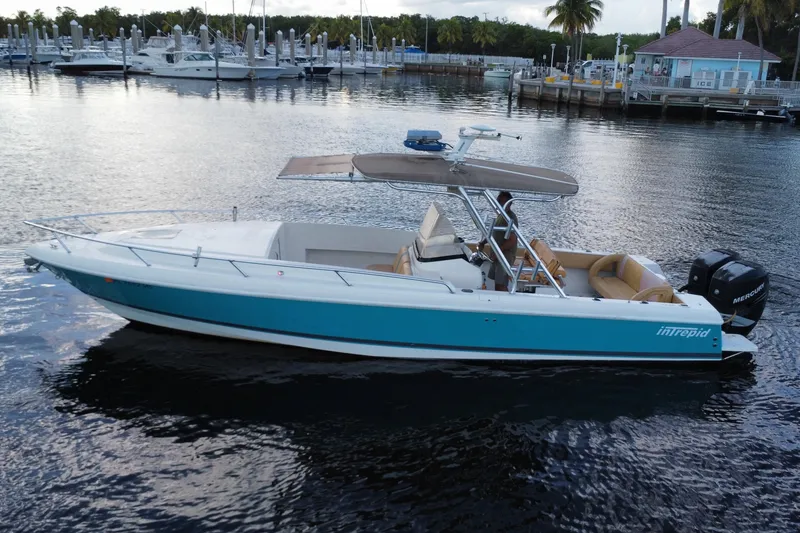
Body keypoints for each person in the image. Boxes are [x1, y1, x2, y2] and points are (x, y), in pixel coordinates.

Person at [478, 191, 519, 292]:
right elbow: (493, 234)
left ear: (510, 203)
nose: (501, 204)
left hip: (505, 255)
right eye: (499, 201)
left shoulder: (510, 218)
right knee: (497, 283)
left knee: (501, 284)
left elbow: (512, 240)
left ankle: (506, 305)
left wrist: (498, 252)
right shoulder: (501, 215)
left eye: (504, 202)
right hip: (498, 254)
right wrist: (483, 243)